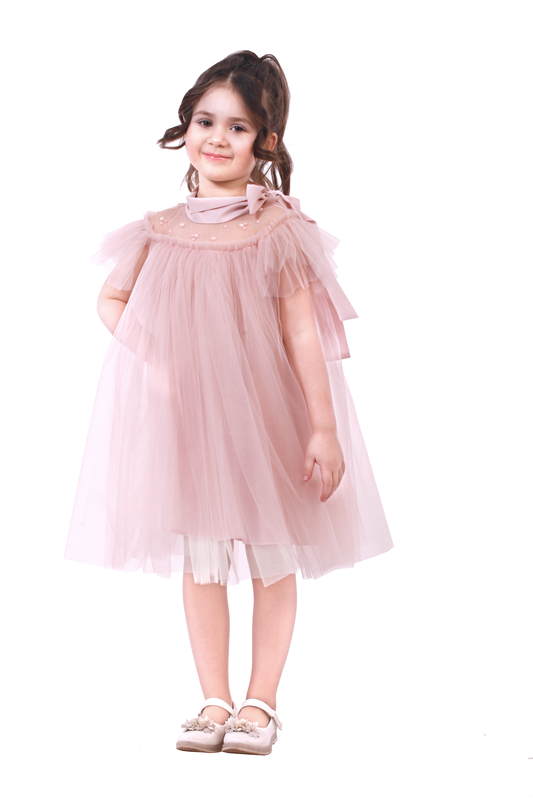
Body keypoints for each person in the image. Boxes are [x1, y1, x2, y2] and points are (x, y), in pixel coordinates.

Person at [63, 50, 393, 756]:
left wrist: (323, 428)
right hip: (191, 423)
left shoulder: (277, 228)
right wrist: (164, 362)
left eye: (237, 128)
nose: (217, 138)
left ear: (264, 142)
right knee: (203, 557)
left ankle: (260, 701)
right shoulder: (159, 228)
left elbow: (301, 332)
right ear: (185, 127)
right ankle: (213, 697)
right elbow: (111, 300)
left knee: (272, 553)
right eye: (205, 121)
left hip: (266, 418)